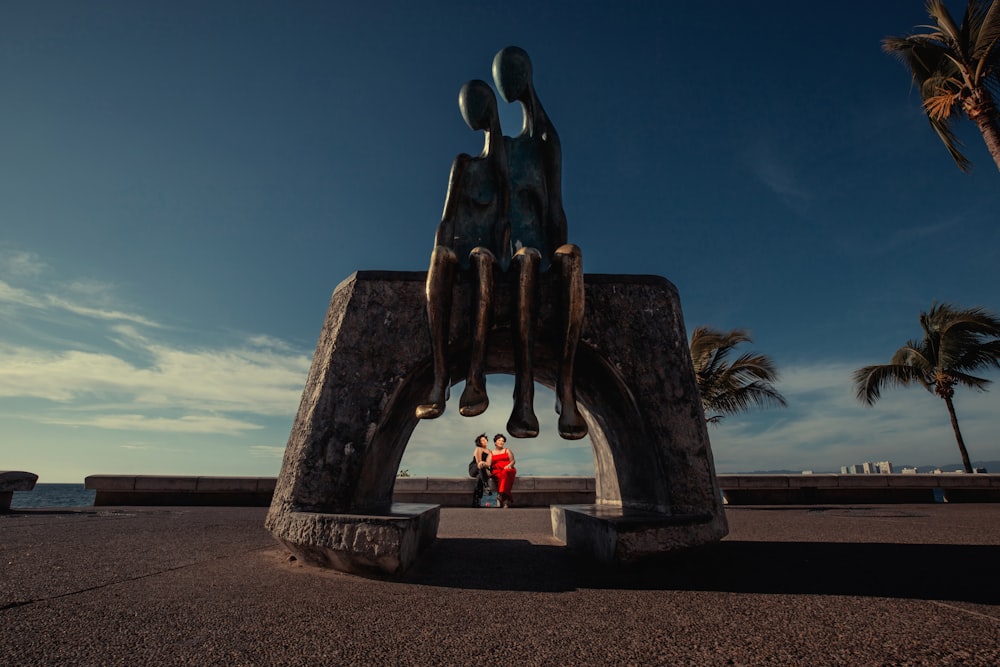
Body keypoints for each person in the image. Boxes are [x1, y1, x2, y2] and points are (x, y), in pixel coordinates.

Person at [416, 79, 509, 421]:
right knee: (439, 259)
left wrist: (501, 255)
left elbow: (503, 223)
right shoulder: (463, 164)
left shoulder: (501, 174)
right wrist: (440, 249)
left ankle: (475, 376)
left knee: (483, 259)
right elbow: (447, 219)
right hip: (457, 249)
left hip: (483, 253)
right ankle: (440, 379)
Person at [489, 433, 516, 508]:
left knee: (505, 473)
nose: (501, 442)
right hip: (497, 471)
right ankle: (505, 502)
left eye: (503, 441)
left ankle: (500, 495)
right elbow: (488, 463)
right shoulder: (491, 453)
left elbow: (513, 461)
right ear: (495, 442)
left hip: (508, 469)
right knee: (502, 477)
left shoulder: (507, 450)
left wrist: (509, 465)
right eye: (499, 440)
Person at [471, 433, 494, 507]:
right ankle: (486, 485)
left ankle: (476, 501)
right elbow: (479, 462)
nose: (484, 441)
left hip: (482, 471)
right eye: (482, 440)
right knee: (481, 465)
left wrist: (487, 468)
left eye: (485, 439)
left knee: (479, 478)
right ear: (479, 442)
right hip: (474, 468)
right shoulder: (478, 449)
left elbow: (489, 463)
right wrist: (486, 468)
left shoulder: (490, 451)